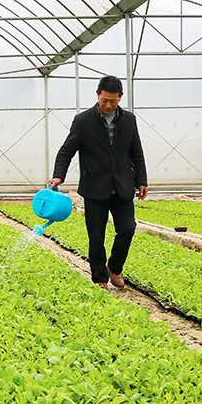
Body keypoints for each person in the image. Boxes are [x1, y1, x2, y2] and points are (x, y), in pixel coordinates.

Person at [49, 75, 148, 291]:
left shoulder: (129, 120)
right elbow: (67, 151)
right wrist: (59, 176)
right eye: (105, 100)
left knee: (128, 229)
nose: (109, 105)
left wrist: (141, 179)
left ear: (120, 97)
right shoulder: (83, 121)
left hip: (122, 185)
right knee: (96, 235)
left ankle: (114, 267)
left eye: (113, 100)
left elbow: (136, 151)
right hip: (95, 187)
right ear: (97, 95)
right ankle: (99, 278)